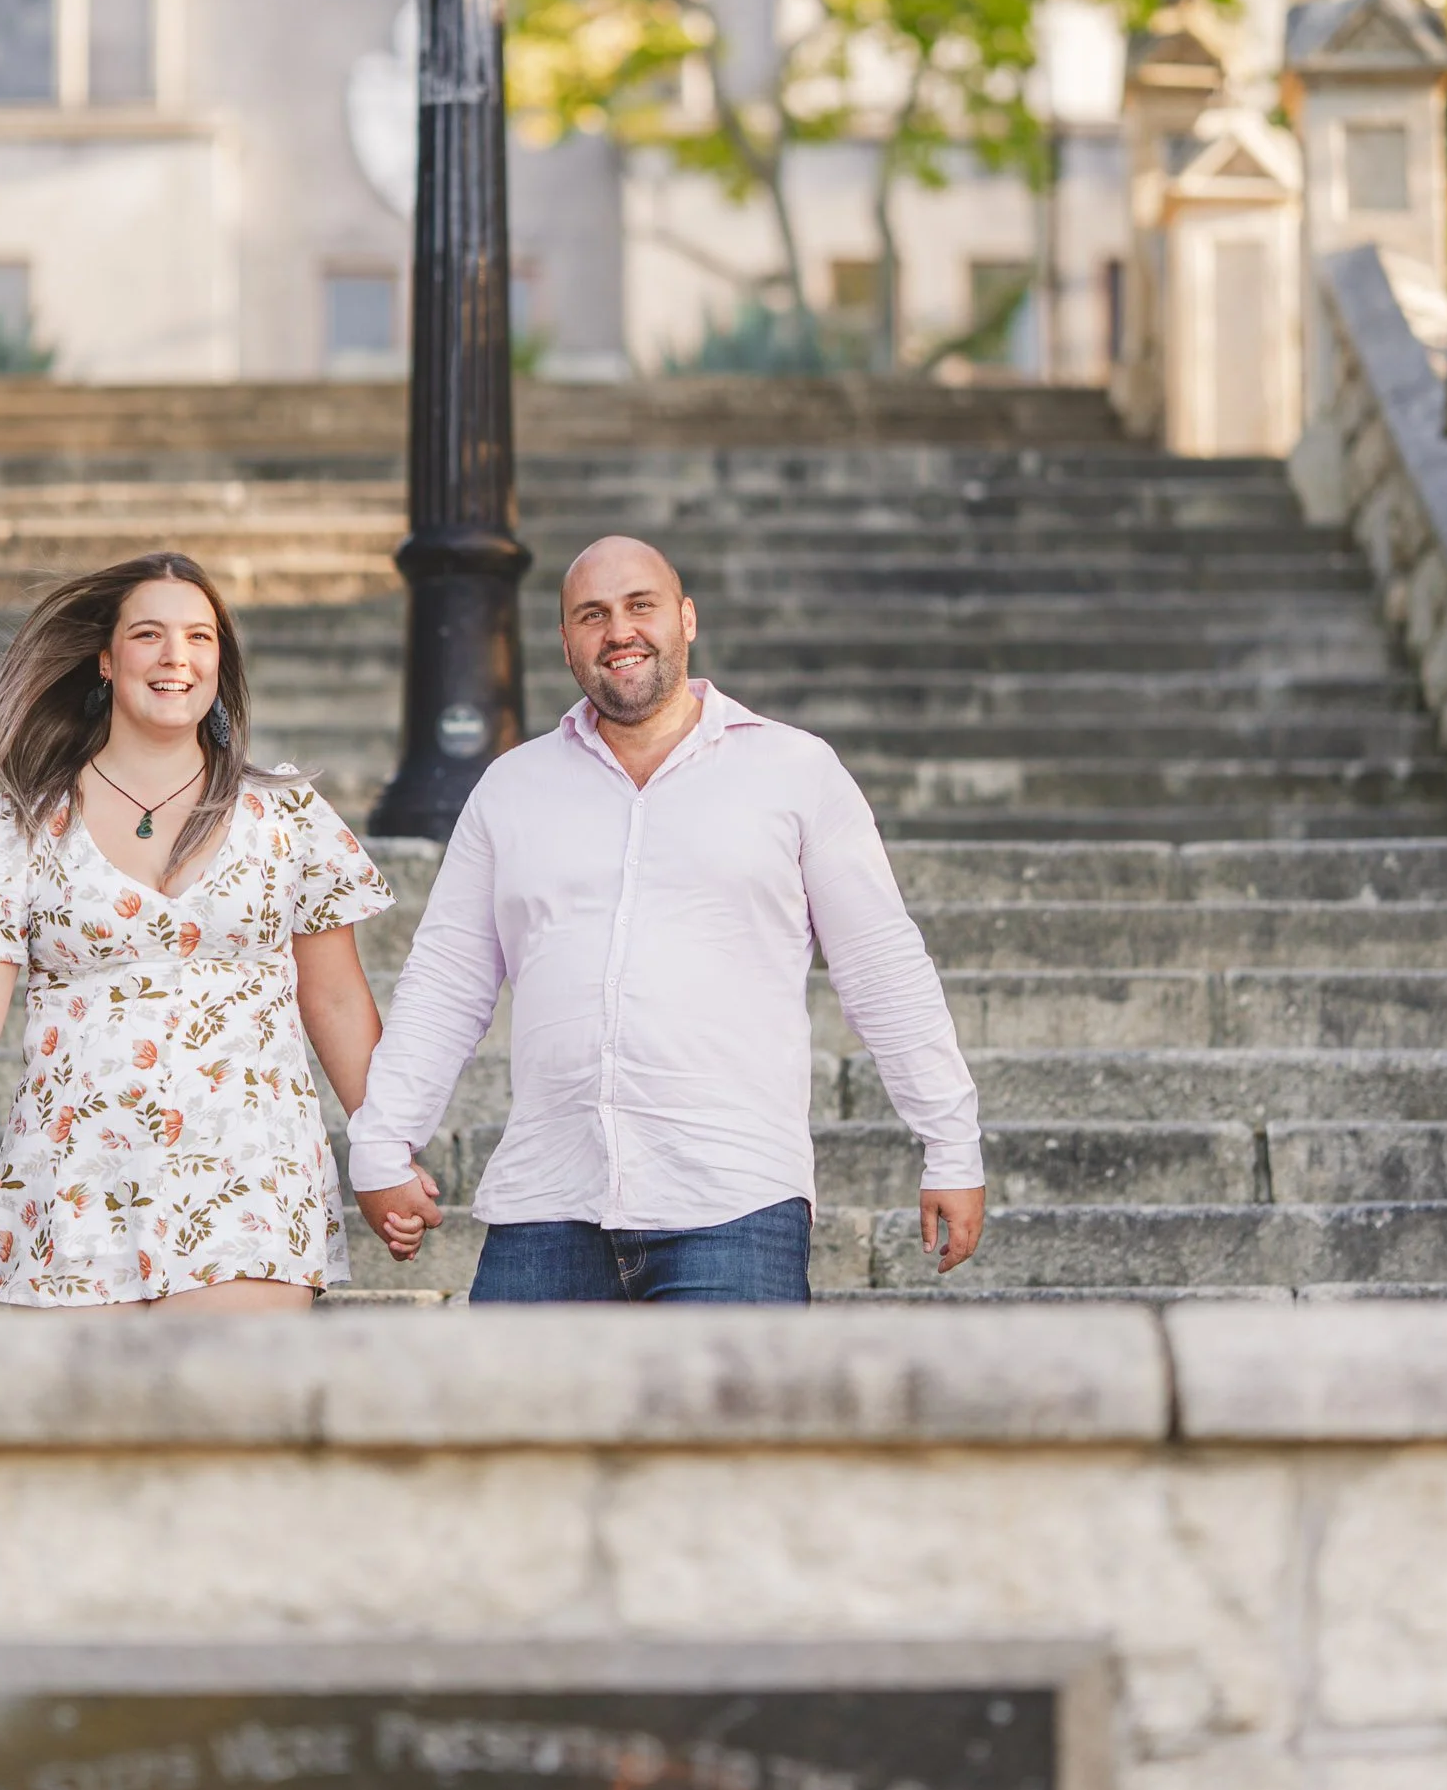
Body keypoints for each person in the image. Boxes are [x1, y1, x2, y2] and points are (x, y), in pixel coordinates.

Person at [349, 533, 986, 1304]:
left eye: (640, 606)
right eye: (592, 614)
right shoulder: (510, 788)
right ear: (565, 642)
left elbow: (881, 966)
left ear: (686, 618)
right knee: (513, 1427)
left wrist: (950, 1145)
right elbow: (447, 981)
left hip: (734, 1207)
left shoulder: (795, 771)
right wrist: (383, 1142)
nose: (618, 631)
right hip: (546, 1206)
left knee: (725, 1431)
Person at [0, 550, 393, 1310]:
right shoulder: (28, 823)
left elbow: (336, 1001)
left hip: (249, 1178)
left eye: (201, 638)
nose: (177, 657)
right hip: (73, 1179)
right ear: (106, 660)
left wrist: (384, 1148)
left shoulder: (286, 816)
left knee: (227, 1414)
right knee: (94, 1428)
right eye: (149, 636)